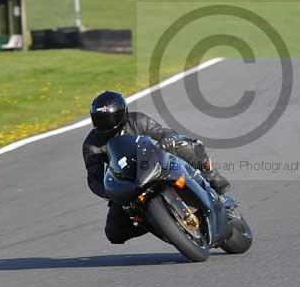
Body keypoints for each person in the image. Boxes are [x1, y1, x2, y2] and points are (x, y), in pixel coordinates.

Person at [82, 90, 231, 244]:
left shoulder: (137, 120)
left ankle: (213, 176)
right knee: (113, 232)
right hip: (127, 183)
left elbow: (162, 133)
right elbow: (94, 177)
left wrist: (168, 139)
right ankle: (155, 222)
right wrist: (109, 193)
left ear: (122, 113)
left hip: (154, 163)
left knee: (185, 145)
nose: (106, 123)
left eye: (109, 118)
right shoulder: (91, 145)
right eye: (100, 119)